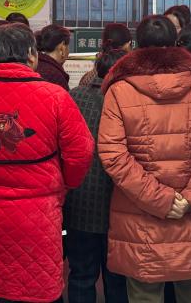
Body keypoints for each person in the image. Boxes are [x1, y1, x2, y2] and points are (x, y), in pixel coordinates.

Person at [0, 24, 94, 302]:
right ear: (31, 54)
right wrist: (66, 183)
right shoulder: (55, 96)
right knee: (33, 288)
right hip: (37, 214)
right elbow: (81, 151)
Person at [98, 15, 191, 303]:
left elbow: (113, 154)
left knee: (144, 294)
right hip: (190, 215)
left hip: (139, 216)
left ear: (137, 45)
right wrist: (190, 198)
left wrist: (159, 200)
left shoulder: (120, 90)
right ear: (175, 44)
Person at [65, 48, 130, 303]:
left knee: (81, 274)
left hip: (79, 202)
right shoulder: (128, 100)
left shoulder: (75, 96)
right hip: (119, 204)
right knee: (117, 278)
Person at [36, 24, 72, 91]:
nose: (68, 52)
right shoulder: (56, 76)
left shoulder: (34, 65)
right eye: (68, 47)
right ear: (62, 47)